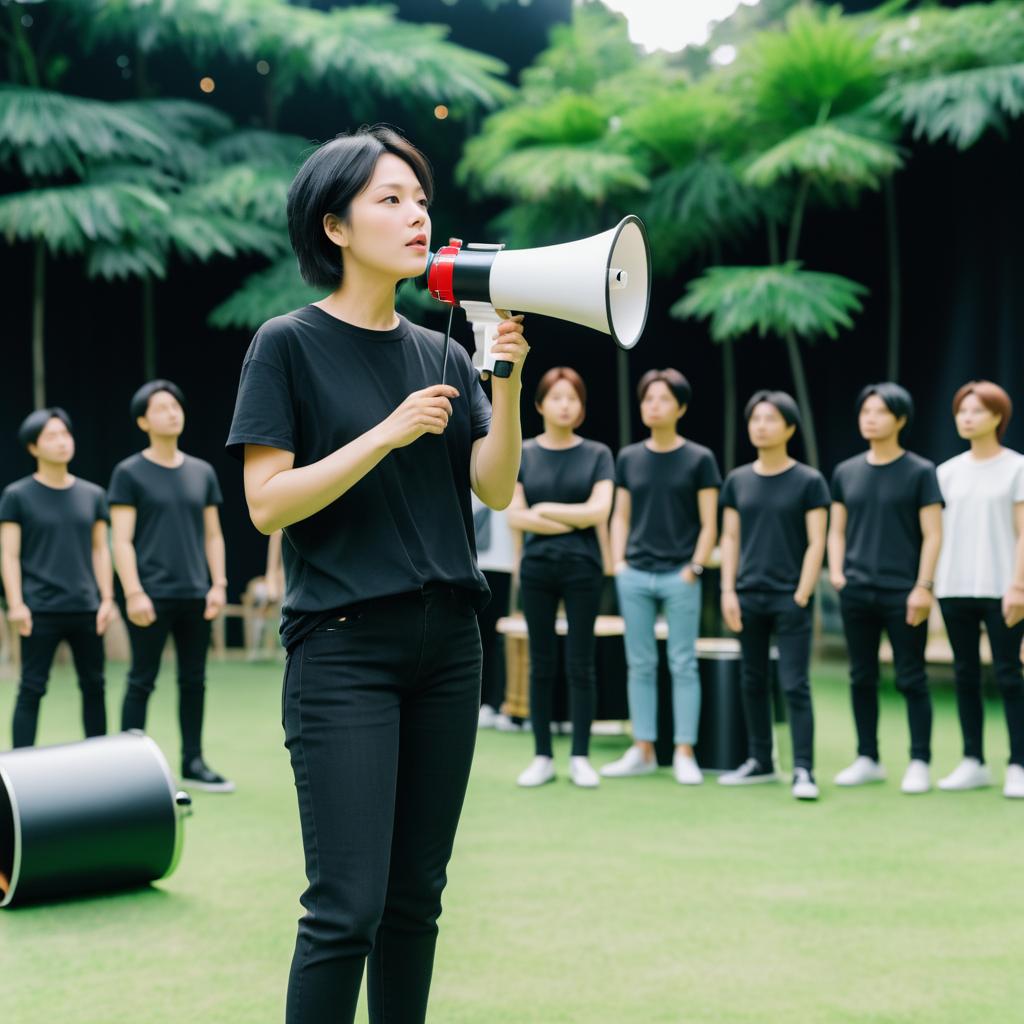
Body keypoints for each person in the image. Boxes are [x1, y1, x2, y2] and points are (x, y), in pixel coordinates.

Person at [226, 127, 528, 1024]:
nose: (415, 215)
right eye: (389, 199)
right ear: (335, 226)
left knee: (415, 904)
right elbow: (268, 503)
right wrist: (387, 433)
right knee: (345, 909)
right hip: (345, 650)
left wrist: (502, 377)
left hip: (450, 649)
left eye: (420, 199)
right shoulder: (286, 344)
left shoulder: (441, 352)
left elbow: (497, 485)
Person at [108, 379, 233, 792]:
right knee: (142, 678)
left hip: (196, 593)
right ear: (143, 420)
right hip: (151, 595)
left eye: (176, 405)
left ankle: (193, 761)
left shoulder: (201, 472)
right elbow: (121, 539)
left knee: (193, 680)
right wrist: (133, 591)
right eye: (161, 408)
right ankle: (125, 766)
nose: (172, 412)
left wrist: (218, 584)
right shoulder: (129, 473)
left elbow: (213, 535)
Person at [602, 368, 720, 785]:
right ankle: (644, 748)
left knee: (683, 663)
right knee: (640, 664)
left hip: (680, 576)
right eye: (648, 398)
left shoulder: (700, 458)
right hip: (634, 573)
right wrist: (618, 564)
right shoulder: (629, 457)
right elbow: (621, 515)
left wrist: (695, 567)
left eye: (664, 398)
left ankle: (684, 751)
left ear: (681, 407)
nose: (654, 405)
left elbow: (710, 522)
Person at [829, 383, 943, 795]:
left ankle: (919, 761)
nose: (869, 418)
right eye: (865, 411)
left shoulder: (920, 471)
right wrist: (838, 571)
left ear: (900, 419)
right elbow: (836, 528)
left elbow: (933, 534)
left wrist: (923, 586)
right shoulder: (846, 471)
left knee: (911, 677)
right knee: (861, 676)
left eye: (879, 412)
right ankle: (867, 757)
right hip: (857, 589)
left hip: (903, 591)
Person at [718, 390, 829, 801]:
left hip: (791, 598)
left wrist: (802, 592)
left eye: (769, 419)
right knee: (752, 680)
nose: (760, 426)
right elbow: (729, 537)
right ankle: (760, 761)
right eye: (755, 419)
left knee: (795, 683)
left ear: (789, 428)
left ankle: (804, 769)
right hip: (747, 594)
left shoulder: (809, 481)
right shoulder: (738, 480)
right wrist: (728, 589)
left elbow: (817, 542)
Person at [507, 367, 614, 789]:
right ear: (539, 405)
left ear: (582, 408)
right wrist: (573, 517)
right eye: (556, 397)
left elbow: (599, 511)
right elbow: (514, 515)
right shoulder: (523, 452)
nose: (565, 404)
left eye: (573, 398)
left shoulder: (598, 454)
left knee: (581, 663)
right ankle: (542, 756)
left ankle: (581, 756)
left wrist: (544, 511)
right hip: (536, 568)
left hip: (584, 569)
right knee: (541, 663)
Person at [0, 408, 113, 748]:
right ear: (33, 447)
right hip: (39, 610)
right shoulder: (17, 496)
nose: (62, 442)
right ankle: (18, 768)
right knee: (32, 687)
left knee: (95, 686)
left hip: (86, 607)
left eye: (65, 434)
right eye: (51, 436)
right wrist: (16, 604)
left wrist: (107, 598)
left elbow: (100, 550)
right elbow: (9, 554)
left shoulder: (92, 494)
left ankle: (100, 760)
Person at [934, 380, 1024, 798]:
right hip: (954, 588)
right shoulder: (947, 472)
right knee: (965, 674)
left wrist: (1019, 586)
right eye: (961, 410)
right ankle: (973, 760)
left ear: (997, 416)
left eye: (975, 410)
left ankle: (1018, 764)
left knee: (1009, 676)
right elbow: (936, 532)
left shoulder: (1017, 467)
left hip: (1003, 587)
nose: (966, 417)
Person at [472, 492, 519, 730]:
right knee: (477, 636)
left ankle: (495, 702)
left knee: (496, 639)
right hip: (473, 563)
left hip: (504, 564)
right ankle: (482, 701)